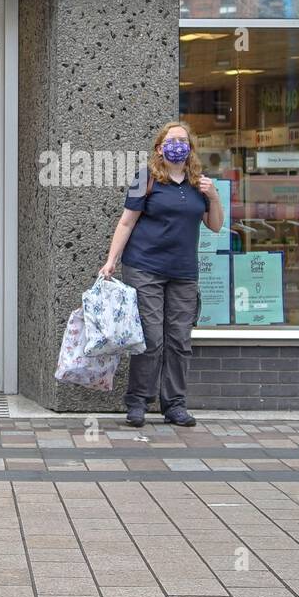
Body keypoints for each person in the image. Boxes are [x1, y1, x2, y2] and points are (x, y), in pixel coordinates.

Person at [99, 121, 225, 428]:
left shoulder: (199, 184)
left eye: (183, 140)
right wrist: (111, 260)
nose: (177, 145)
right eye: (171, 141)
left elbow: (216, 225)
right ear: (160, 148)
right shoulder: (146, 178)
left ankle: (175, 405)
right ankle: (138, 402)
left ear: (190, 149)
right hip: (145, 268)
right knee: (151, 339)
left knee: (180, 340)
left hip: (183, 272)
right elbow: (126, 222)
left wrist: (215, 197)